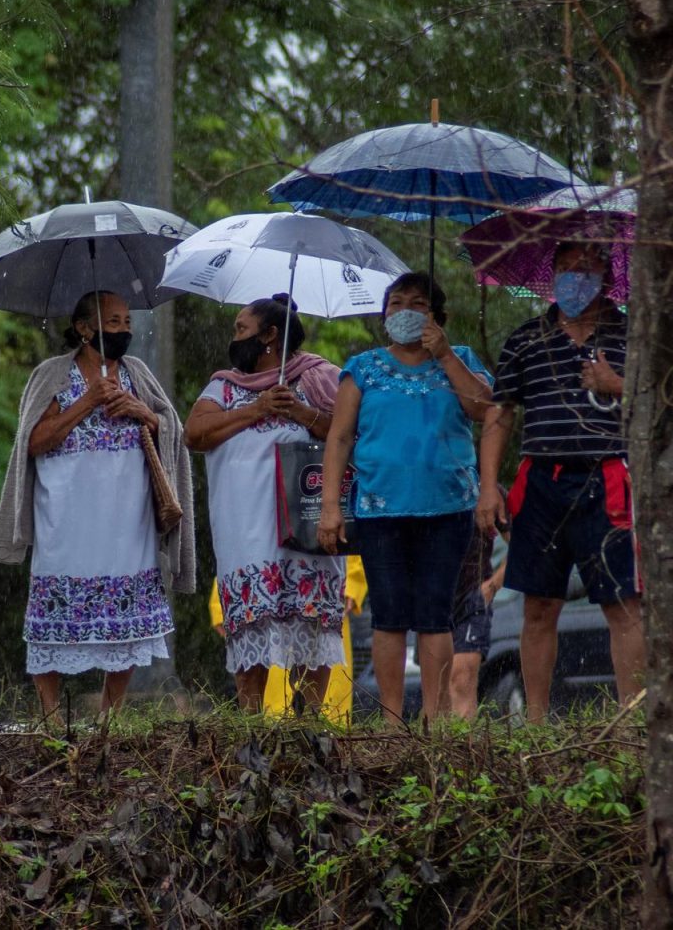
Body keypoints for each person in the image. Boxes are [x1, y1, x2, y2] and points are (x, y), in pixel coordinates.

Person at [0, 290, 196, 720]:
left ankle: (110, 716)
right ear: (84, 329)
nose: (125, 330)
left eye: (126, 322)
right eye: (114, 322)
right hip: (64, 519)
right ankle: (49, 718)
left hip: (127, 518)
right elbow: (32, 442)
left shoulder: (138, 374)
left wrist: (143, 412)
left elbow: (170, 427)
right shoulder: (53, 375)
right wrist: (88, 402)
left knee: (126, 620)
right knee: (50, 619)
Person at [476, 242, 645, 724]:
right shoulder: (526, 338)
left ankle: (632, 720)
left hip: (608, 476)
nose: (576, 279)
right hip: (540, 481)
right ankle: (535, 721)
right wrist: (489, 486)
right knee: (538, 605)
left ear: (608, 279)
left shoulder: (633, 335)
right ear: (550, 276)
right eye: (566, 269)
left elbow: (665, 405)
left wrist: (618, 384)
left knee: (623, 603)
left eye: (587, 270)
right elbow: (500, 412)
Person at [317, 272, 492, 724]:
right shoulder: (363, 368)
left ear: (436, 316)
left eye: (417, 304)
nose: (405, 312)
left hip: (449, 508)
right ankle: (393, 721)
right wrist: (331, 508)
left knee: (436, 614)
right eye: (396, 304)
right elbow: (339, 439)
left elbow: (484, 407)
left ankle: (434, 720)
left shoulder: (462, 360)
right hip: (379, 510)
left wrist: (446, 353)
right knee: (389, 615)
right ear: (384, 315)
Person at [185, 294, 347, 713]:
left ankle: (308, 727)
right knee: (252, 627)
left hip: (308, 528)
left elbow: (351, 435)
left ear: (270, 335)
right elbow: (195, 434)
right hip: (245, 533)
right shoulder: (223, 386)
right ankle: (251, 727)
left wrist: (303, 414)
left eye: (242, 329)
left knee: (312, 631)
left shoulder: (320, 378)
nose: (235, 338)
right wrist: (257, 409)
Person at [209, 556, 368, 724]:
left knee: (321, 668)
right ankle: (265, 733)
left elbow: (344, 535)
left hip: (318, 572)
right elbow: (242, 541)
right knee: (273, 694)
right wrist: (221, 602)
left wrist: (352, 578)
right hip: (268, 588)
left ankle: (317, 733)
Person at [449, 531, 507, 721]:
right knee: (438, 688)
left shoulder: (485, 501)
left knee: (461, 678)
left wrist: (493, 585)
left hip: (472, 598)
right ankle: (436, 744)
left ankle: (462, 744)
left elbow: (523, 541)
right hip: (434, 600)